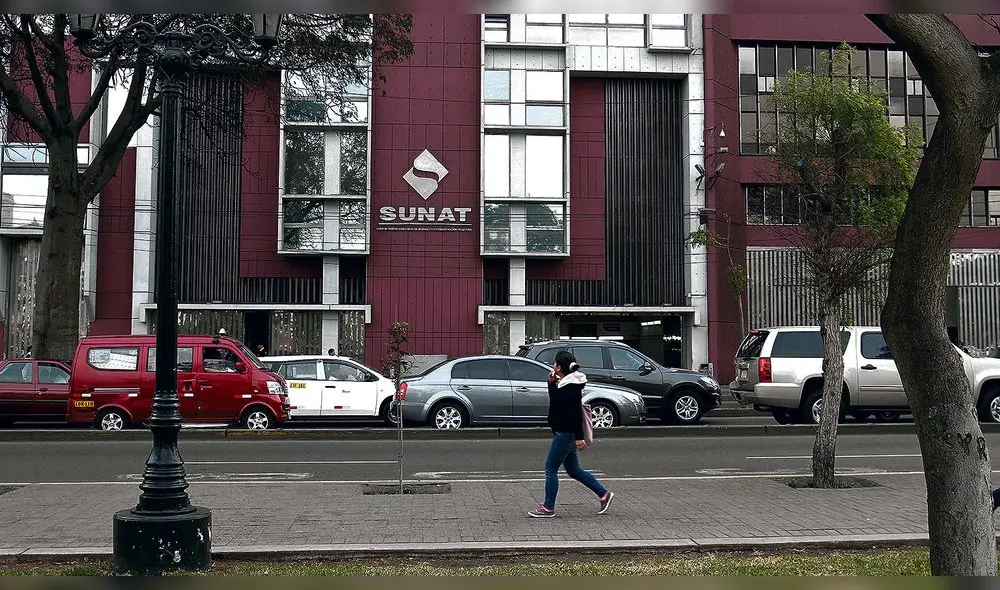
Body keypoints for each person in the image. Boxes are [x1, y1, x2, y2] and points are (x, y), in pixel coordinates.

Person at [528, 350, 614, 518]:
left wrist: (579, 436)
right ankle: (604, 494)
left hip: (566, 433)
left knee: (550, 469)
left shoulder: (570, 387)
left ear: (559, 367)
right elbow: (557, 405)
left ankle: (548, 507)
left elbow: (574, 413)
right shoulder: (567, 384)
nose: (553, 366)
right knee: (573, 470)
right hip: (565, 432)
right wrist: (552, 384)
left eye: (555, 363)